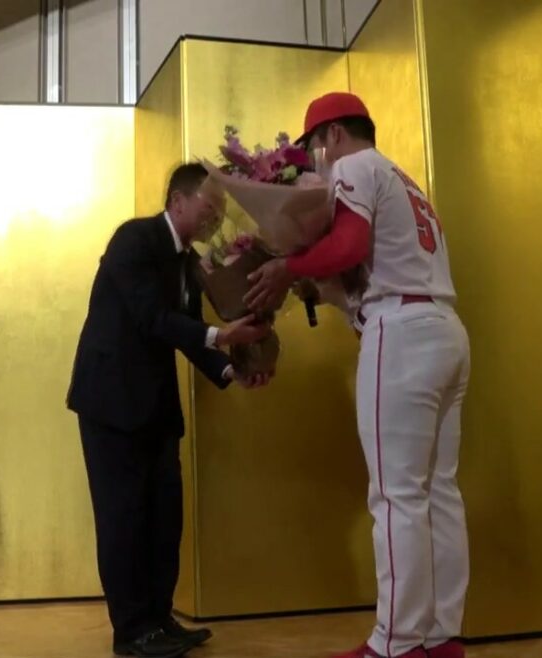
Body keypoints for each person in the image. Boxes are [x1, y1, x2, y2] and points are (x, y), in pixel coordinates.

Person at [245, 93, 471, 658]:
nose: (315, 160)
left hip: (403, 334)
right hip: (445, 329)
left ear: (333, 135)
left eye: (313, 146)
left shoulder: (353, 166)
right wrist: (324, 287)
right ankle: (441, 636)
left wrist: (289, 267)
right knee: (439, 492)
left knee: (396, 495)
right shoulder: (404, 180)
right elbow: (371, 261)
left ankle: (395, 643)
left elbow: (350, 244)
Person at [67, 163, 271, 658]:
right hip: (111, 404)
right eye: (210, 207)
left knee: (164, 519)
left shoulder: (188, 263)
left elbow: (189, 330)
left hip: (155, 407)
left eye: (220, 211)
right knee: (123, 519)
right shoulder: (133, 240)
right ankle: (131, 631)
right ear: (178, 201)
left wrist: (232, 369)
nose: (215, 219)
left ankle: (158, 619)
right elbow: (152, 318)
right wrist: (222, 335)